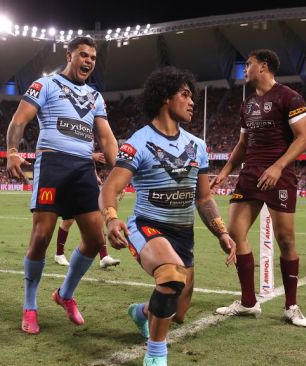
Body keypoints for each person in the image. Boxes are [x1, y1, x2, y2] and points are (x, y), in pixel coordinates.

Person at [99, 67, 237, 366]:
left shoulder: (198, 146)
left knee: (177, 311)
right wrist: (111, 218)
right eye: (185, 95)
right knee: (172, 276)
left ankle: (142, 312)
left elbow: (203, 198)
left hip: (183, 233)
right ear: (164, 97)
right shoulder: (138, 142)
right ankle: (156, 354)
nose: (191, 102)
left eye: (192, 96)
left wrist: (222, 232)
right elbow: (110, 188)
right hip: (148, 226)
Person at [6, 36, 118, 334]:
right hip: (52, 165)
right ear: (69, 55)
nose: (88, 62)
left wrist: (120, 169)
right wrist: (13, 152)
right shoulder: (46, 85)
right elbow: (20, 119)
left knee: (95, 240)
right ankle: (30, 305)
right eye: (83, 55)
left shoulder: (96, 97)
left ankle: (65, 295)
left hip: (83, 168)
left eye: (93, 58)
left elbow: (105, 137)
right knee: (42, 236)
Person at [210, 49, 306, 327]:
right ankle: (247, 302)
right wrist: (225, 172)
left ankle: (291, 306)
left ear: (263, 67)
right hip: (250, 175)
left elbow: (304, 138)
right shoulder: (248, 104)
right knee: (235, 233)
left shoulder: (289, 97)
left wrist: (278, 166)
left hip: (278, 175)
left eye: (249, 65)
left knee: (286, 241)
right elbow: (242, 145)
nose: (244, 70)